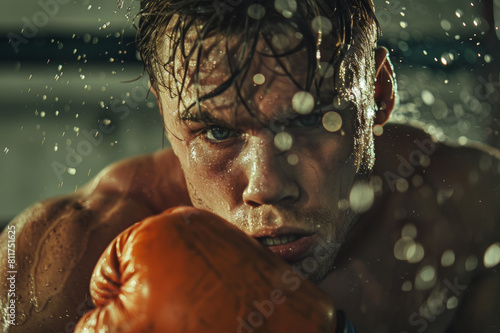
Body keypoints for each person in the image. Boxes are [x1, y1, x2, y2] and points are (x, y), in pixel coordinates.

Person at [1, 0, 500, 332]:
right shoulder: (52, 263)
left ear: (378, 96)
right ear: (164, 114)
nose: (266, 186)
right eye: (217, 132)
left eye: (309, 121)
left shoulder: (468, 216)